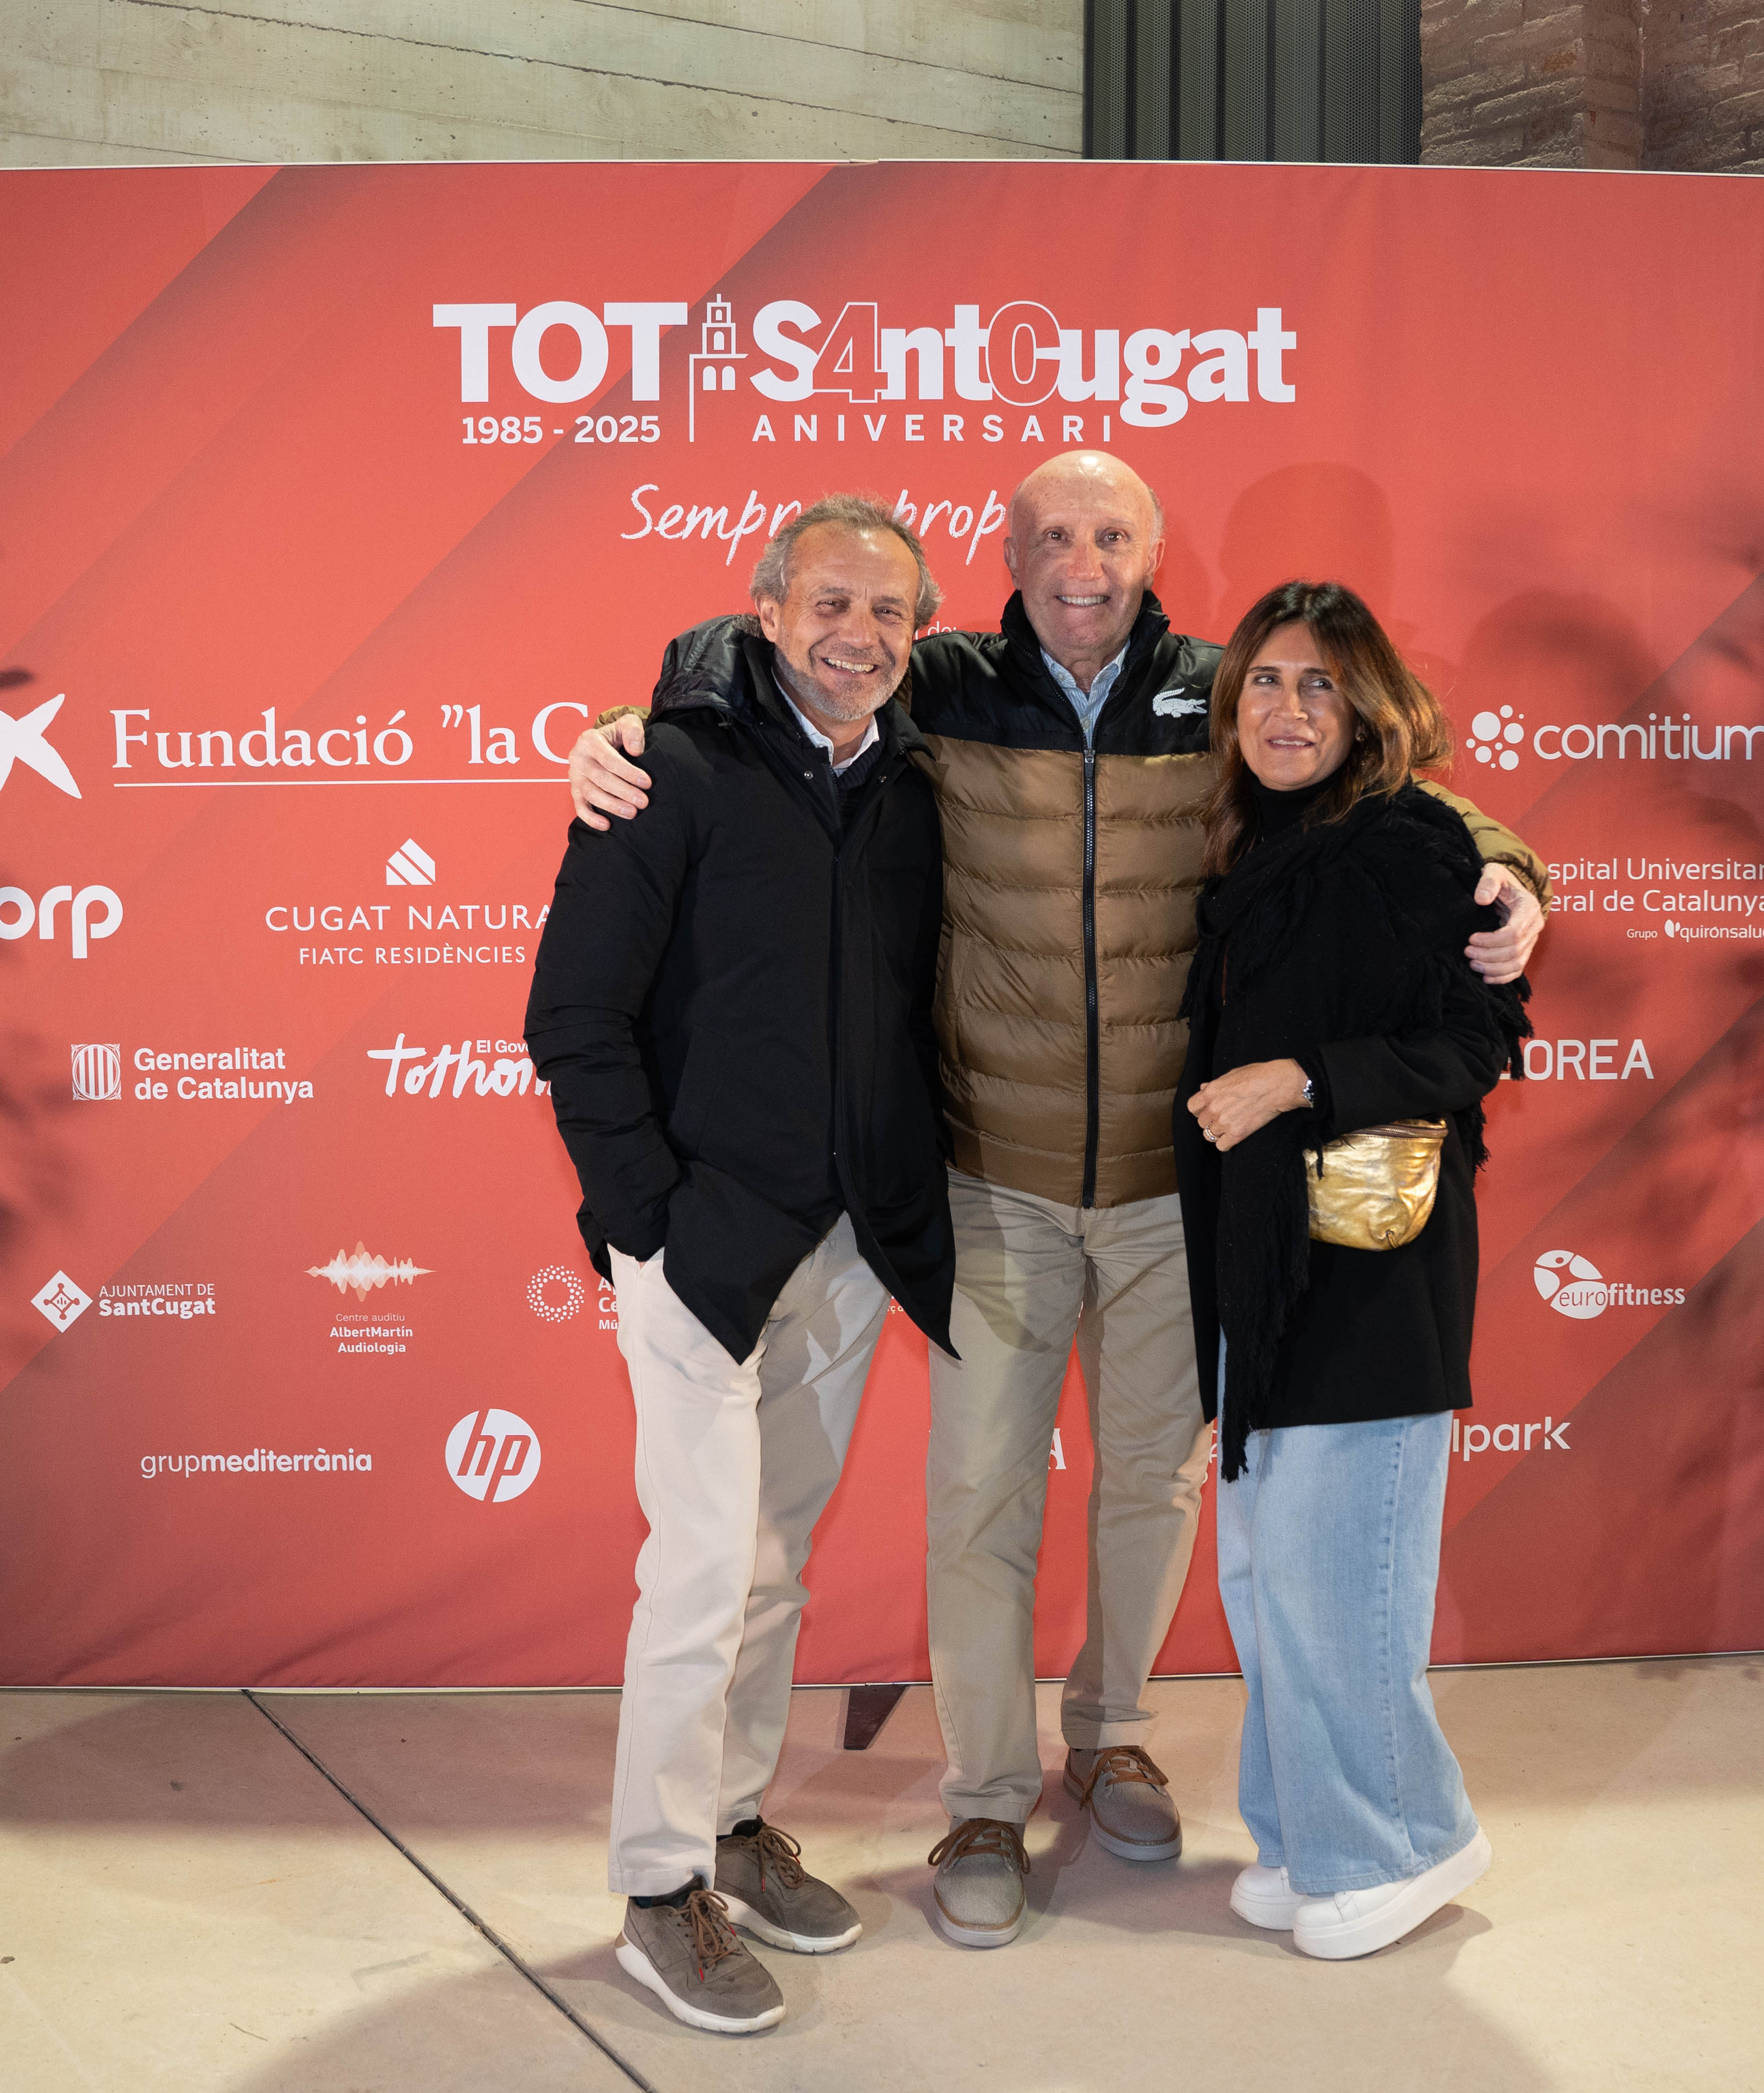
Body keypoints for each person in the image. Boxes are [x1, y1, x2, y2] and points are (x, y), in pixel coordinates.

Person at [569, 450, 1549, 1949]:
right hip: (992, 1180)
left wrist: (1508, 861)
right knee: (980, 1494)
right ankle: (983, 1794)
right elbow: (775, 661)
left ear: (1151, 552)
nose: (1081, 565)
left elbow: (1384, 784)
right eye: (1051, 538)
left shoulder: (1226, 695)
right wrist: (629, 721)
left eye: (1109, 535)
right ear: (1009, 557)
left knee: (1154, 1481)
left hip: (1178, 1184)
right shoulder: (938, 683)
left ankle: (1110, 1735)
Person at [525, 494, 955, 2035]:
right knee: (703, 1568)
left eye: (889, 611)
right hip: (701, 1243)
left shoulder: (919, 780)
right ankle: (657, 1892)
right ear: (765, 612)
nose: (859, 636)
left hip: (845, 1242)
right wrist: (646, 1214)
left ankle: (726, 1826)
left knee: (771, 1562)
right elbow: (573, 1016)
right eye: (829, 603)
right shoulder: (666, 768)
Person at [1174, 580, 1529, 1962]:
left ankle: (1405, 1843)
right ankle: (1306, 1837)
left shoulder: (1411, 843)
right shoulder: (1255, 847)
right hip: (1266, 1274)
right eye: (1264, 682)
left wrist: (1301, 1078)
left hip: (1373, 1281)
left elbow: (1476, 1042)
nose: (1287, 709)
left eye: (1319, 683)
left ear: (1369, 705)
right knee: (1271, 1586)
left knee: (1340, 1593)